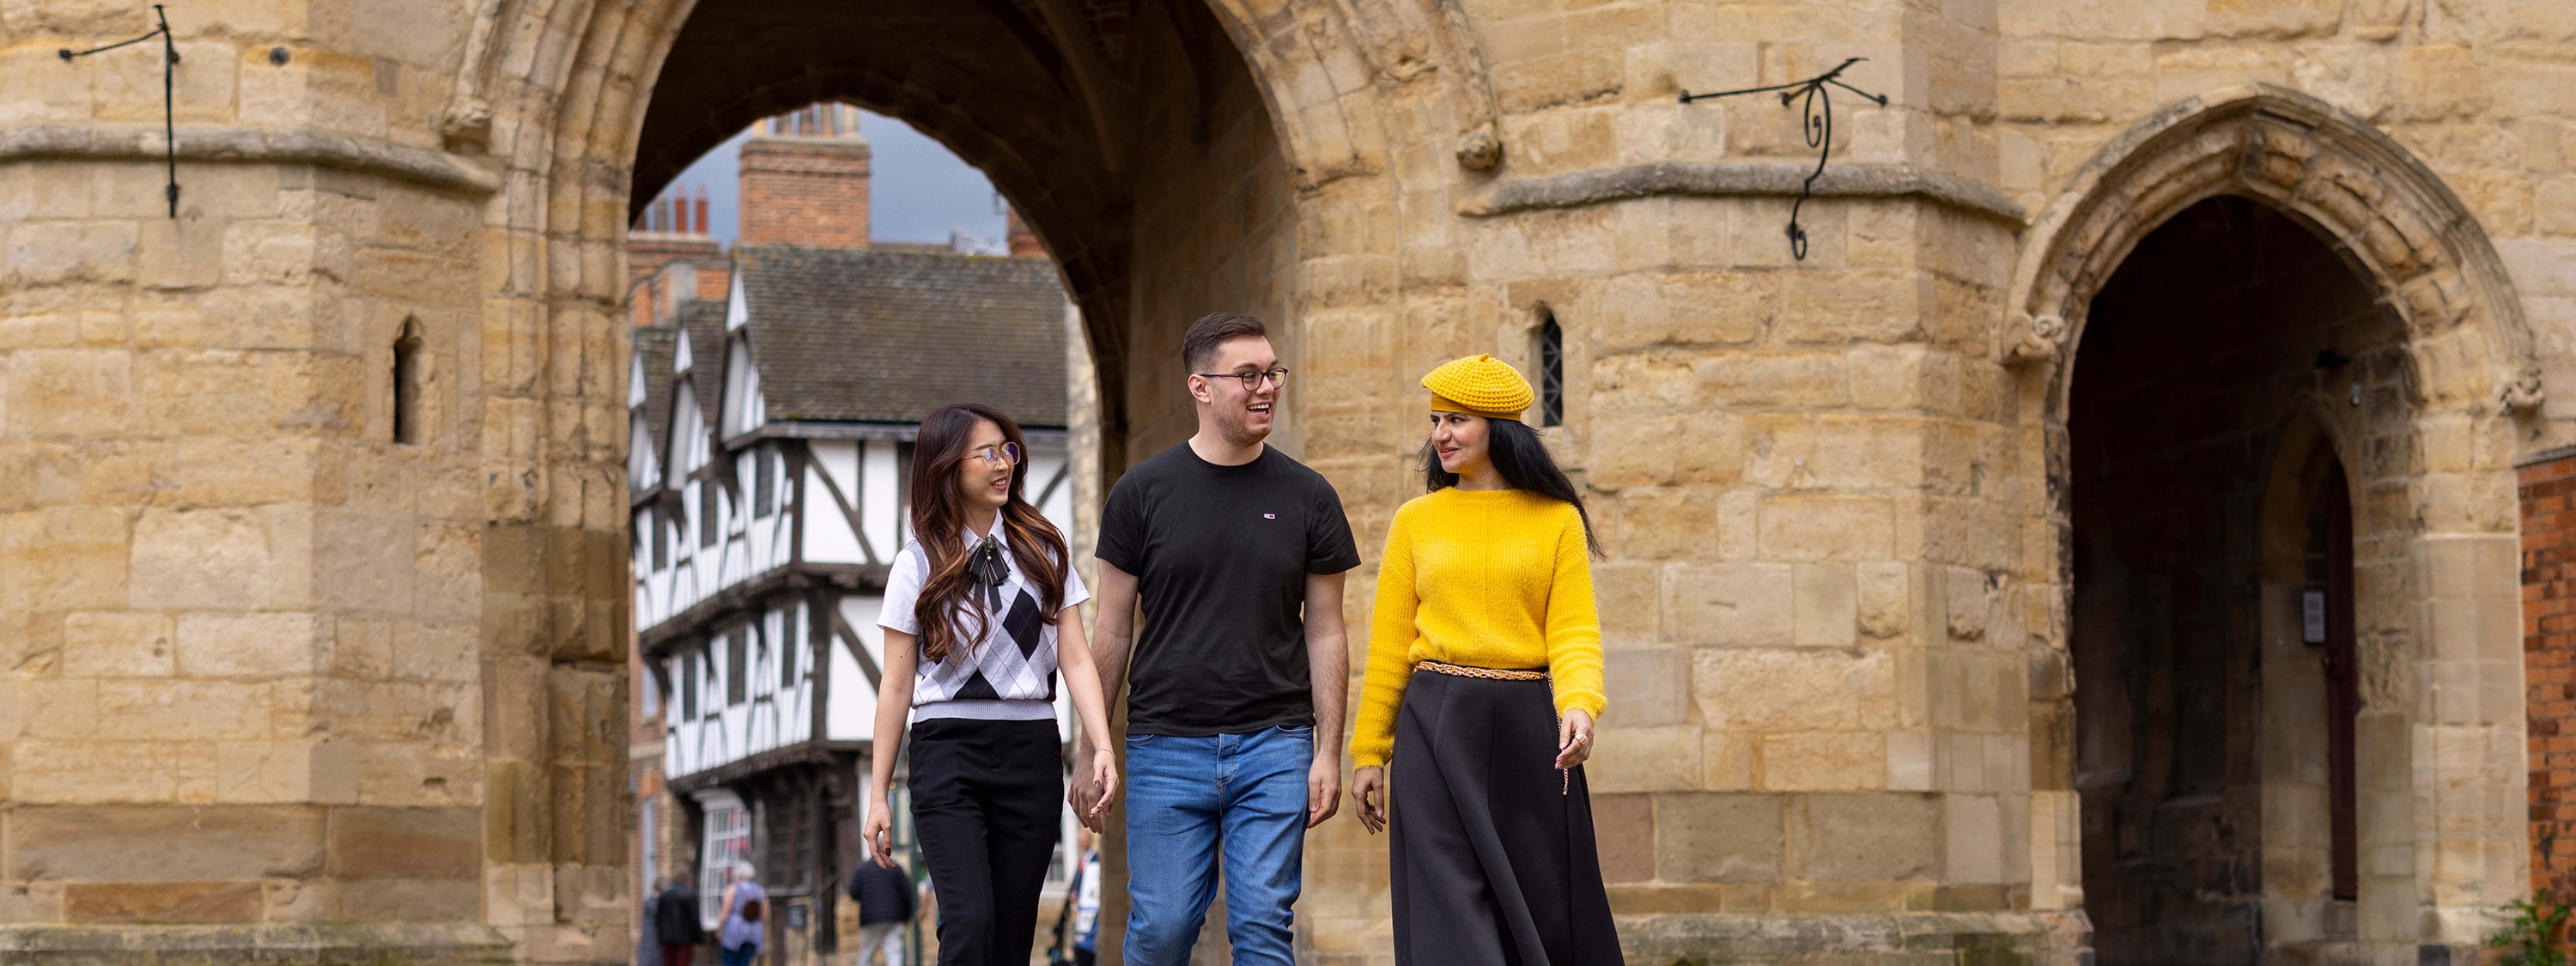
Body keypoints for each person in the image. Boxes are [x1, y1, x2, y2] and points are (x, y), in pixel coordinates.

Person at [1078, 312, 1361, 965]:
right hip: (1165, 744)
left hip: (1275, 744)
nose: (1266, 387)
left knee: (1263, 924)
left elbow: (1325, 631)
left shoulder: (1310, 496)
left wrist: (1328, 751)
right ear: (1200, 387)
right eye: (1249, 375)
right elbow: (1111, 627)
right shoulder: (1141, 493)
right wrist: (1090, 748)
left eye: (1273, 373)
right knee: (1163, 930)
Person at [1346, 354, 1624, 965]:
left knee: (1539, 903)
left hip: (1530, 726)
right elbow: (1390, 646)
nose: (1440, 434)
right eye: (1436, 419)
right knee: (1448, 903)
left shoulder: (1555, 520)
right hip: (1434, 722)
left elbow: (1574, 629)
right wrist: (1370, 750)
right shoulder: (1415, 521)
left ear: (1500, 427)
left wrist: (1580, 705)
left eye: (1457, 420)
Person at [863, 403, 1121, 966]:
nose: (1003, 463)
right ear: (947, 466)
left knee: (1011, 937)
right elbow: (895, 686)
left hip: (1030, 753)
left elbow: (1076, 658)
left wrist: (1101, 745)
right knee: (969, 921)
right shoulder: (915, 564)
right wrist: (879, 793)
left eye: (1008, 450)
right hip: (947, 753)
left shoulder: (1044, 551)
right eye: (987, 452)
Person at [846, 855, 915, 966]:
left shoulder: (862, 868)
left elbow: (854, 892)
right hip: (894, 917)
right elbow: (907, 893)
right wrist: (907, 916)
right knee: (894, 953)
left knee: (867, 954)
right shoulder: (895, 867)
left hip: (869, 918)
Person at [715, 863, 766, 966]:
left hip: (734, 929)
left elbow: (725, 911)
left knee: (729, 961)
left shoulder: (733, 889)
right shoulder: (759, 890)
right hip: (753, 930)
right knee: (745, 962)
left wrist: (720, 928)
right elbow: (765, 914)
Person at [653, 872, 706, 966]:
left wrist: (660, 939)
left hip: (667, 938)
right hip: (685, 939)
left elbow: (659, 919)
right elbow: (694, 919)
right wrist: (700, 939)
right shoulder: (689, 894)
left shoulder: (664, 895)